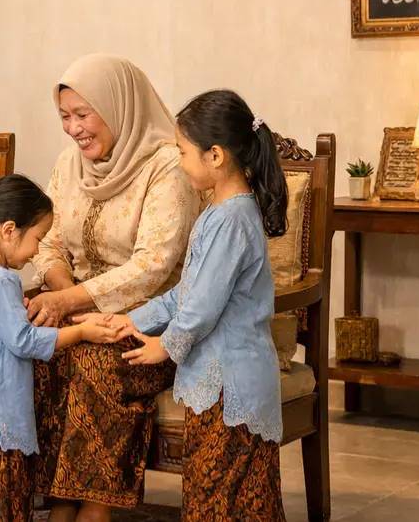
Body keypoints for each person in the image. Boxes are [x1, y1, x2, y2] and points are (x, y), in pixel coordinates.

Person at [93, 89, 288, 521]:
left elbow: (200, 307)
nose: (179, 162)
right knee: (217, 497)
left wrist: (165, 346)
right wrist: (130, 321)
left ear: (215, 155)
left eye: (182, 152)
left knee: (226, 501)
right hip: (217, 382)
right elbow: (186, 293)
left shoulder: (232, 220)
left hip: (230, 382)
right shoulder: (219, 212)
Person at [27, 54, 200, 519]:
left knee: (95, 363)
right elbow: (46, 241)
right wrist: (64, 297)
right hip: (79, 309)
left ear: (119, 105)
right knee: (32, 350)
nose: (73, 129)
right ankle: (59, 500)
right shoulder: (69, 165)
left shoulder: (169, 166)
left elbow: (153, 267)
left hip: (150, 324)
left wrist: (71, 302)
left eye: (83, 114)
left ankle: (95, 508)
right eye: (65, 116)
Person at [0, 175, 124, 522]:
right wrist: (81, 332)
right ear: (9, 230)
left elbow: (4, 332)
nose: (37, 251)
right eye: (37, 239)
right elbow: (23, 341)